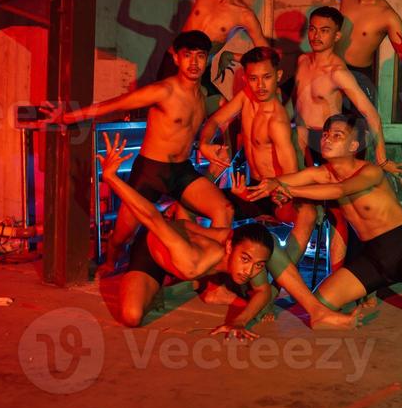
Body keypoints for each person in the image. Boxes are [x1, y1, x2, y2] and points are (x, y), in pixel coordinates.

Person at [249, 114, 402, 361]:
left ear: (354, 145)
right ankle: (363, 298)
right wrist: (268, 188)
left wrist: (287, 189)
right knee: (319, 306)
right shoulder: (323, 173)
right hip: (372, 256)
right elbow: (278, 182)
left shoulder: (370, 172)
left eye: (337, 135)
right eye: (326, 135)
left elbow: (339, 190)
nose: (327, 139)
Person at [98, 132, 360, 332]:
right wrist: (112, 178)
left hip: (196, 244)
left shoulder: (247, 258)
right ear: (228, 247)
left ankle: (315, 310)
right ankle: (170, 287)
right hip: (153, 251)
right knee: (131, 317)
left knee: (267, 248)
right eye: (246, 261)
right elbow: (151, 216)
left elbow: (263, 292)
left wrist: (240, 322)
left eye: (257, 265)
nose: (250, 271)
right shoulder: (192, 257)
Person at [45, 30, 233, 268]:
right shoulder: (163, 90)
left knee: (223, 208)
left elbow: (225, 114)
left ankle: (212, 269)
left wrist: (211, 144)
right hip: (151, 172)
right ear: (177, 58)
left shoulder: (204, 95)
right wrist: (67, 117)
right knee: (122, 236)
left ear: (207, 60)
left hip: (183, 171)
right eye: (188, 55)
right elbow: (114, 104)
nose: (194, 62)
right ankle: (111, 262)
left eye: (200, 56)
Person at [199, 46, 317, 264]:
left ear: (278, 76)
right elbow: (215, 120)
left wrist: (278, 199)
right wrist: (204, 144)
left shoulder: (277, 121)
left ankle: (281, 279)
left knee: (308, 214)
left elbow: (290, 176)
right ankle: (215, 273)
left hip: (275, 193)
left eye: (267, 78)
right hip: (251, 187)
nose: (260, 86)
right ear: (245, 78)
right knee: (199, 196)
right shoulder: (245, 97)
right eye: (253, 78)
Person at [295, 6, 402, 178]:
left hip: (327, 141)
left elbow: (371, 114)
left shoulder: (337, 72)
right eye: (312, 29)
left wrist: (381, 158)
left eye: (324, 31)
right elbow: (297, 104)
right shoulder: (302, 61)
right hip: (302, 139)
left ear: (337, 36)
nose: (316, 36)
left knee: (330, 199)